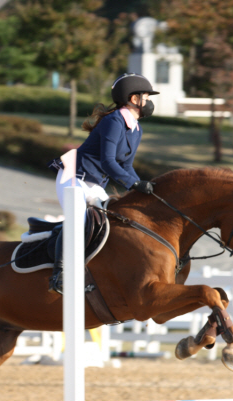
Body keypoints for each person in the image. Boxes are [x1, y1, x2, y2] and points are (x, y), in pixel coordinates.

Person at [47, 73, 159, 294]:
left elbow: (126, 166)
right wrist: (133, 185)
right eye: (146, 96)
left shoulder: (136, 129)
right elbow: (108, 162)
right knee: (79, 222)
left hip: (92, 183)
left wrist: (140, 187)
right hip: (73, 178)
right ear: (134, 99)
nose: (149, 101)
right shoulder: (114, 121)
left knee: (112, 224)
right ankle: (59, 275)